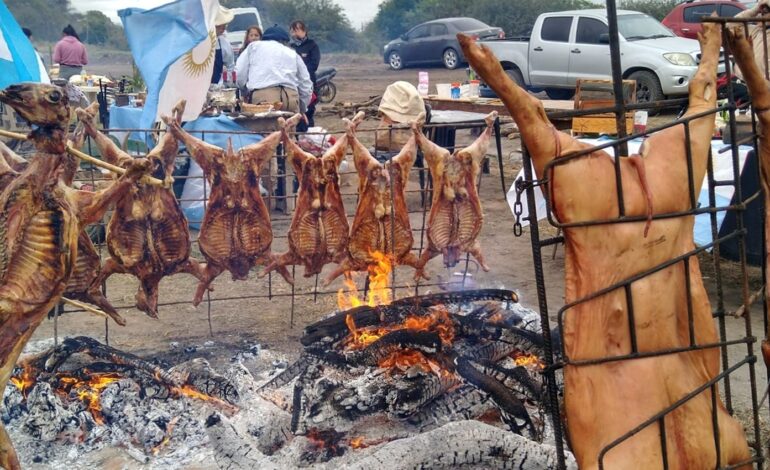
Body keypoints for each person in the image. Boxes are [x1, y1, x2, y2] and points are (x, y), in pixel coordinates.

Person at [235, 25, 313, 114]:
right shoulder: (292, 53)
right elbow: (306, 84)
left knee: (265, 127)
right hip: (290, 98)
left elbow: (239, 74)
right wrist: (302, 108)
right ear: (285, 41)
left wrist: (244, 92)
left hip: (264, 98)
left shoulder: (254, 47)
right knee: (289, 127)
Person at [289, 20, 320, 129]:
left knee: (309, 111)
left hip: (308, 84)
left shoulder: (312, 45)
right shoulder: (290, 47)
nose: (295, 33)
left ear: (304, 31)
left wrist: (301, 72)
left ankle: (309, 137)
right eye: (293, 31)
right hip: (293, 85)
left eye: (298, 30)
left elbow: (314, 64)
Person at [732, 0, 770, 81]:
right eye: (761, 12)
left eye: (766, 11)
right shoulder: (754, 30)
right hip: (739, 80)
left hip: (758, 86)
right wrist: (755, 10)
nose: (761, 14)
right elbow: (730, 26)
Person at [211, 6, 235, 85]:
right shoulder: (199, 42)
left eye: (224, 27)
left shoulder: (223, 42)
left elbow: (230, 66)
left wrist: (225, 83)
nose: (222, 29)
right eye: (219, 27)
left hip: (217, 85)